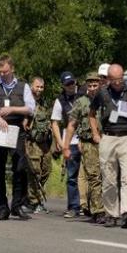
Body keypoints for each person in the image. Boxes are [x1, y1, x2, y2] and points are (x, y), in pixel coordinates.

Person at [89, 64, 127, 228]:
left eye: (120, 79)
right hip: (108, 138)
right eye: (114, 80)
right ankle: (111, 213)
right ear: (108, 79)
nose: (117, 83)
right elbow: (91, 114)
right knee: (109, 180)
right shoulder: (102, 93)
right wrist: (95, 133)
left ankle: (126, 212)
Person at [0, 54, 35, 220]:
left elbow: (30, 108)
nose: (2, 75)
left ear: (12, 69)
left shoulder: (23, 86)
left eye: (5, 71)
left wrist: (12, 109)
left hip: (16, 130)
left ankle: (17, 205)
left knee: (20, 167)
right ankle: (2, 207)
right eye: (0, 72)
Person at [63, 72, 105, 224]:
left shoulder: (106, 99)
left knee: (108, 176)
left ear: (100, 84)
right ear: (86, 86)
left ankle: (109, 208)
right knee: (94, 176)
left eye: (95, 85)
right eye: (90, 85)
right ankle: (97, 210)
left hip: (107, 141)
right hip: (88, 143)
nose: (93, 88)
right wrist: (66, 146)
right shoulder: (81, 102)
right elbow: (72, 125)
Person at [51, 72, 84, 218]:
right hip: (70, 142)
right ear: (63, 86)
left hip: (85, 139)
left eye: (72, 83)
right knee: (71, 176)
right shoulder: (60, 100)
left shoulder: (83, 94)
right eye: (67, 84)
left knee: (91, 175)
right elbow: (55, 123)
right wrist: (60, 142)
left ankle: (90, 206)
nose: (71, 86)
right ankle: (73, 207)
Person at [24, 77, 52, 214]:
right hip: (31, 142)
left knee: (47, 169)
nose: (39, 89)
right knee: (34, 172)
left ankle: (31, 197)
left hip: (44, 143)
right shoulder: (27, 102)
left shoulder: (44, 103)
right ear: (31, 87)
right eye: (37, 86)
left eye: (41, 87)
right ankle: (34, 202)